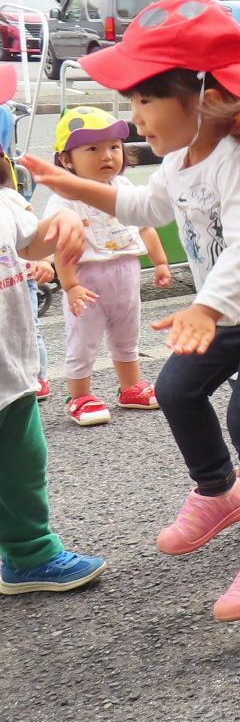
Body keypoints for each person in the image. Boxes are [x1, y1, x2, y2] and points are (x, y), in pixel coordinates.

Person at [22, 0, 240, 623]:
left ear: (205, 98)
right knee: (178, 390)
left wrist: (207, 310)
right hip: (232, 314)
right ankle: (219, 490)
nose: (133, 118)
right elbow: (143, 210)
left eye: (143, 99)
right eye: (131, 101)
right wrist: (71, 186)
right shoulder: (177, 159)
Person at [0, 192, 108, 595]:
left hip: (13, 371)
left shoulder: (3, 201)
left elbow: (30, 241)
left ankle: (30, 555)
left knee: (23, 467)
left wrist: (63, 220)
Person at [43, 107, 170, 427]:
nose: (107, 156)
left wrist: (160, 262)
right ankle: (80, 396)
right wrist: (70, 285)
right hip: (87, 278)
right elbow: (63, 246)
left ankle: (130, 387)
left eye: (114, 147)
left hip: (125, 271)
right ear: (66, 159)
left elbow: (145, 227)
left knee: (127, 334)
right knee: (83, 339)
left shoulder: (125, 187)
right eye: (92, 149)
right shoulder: (65, 196)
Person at [0, 176, 53, 400]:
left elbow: (34, 232)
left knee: (32, 329)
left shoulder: (9, 197)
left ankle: (39, 377)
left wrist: (44, 260)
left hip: (23, 278)